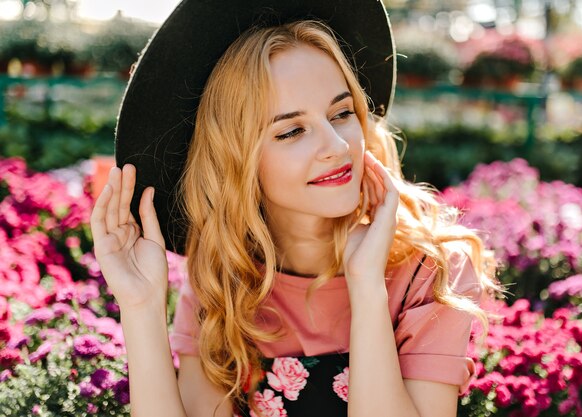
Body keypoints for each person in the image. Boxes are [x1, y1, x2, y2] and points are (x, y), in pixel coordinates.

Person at [90, 1, 501, 417]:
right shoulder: (222, 278)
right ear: (236, 162)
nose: (338, 147)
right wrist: (141, 307)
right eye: (291, 131)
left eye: (341, 113)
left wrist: (367, 285)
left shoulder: (431, 271)